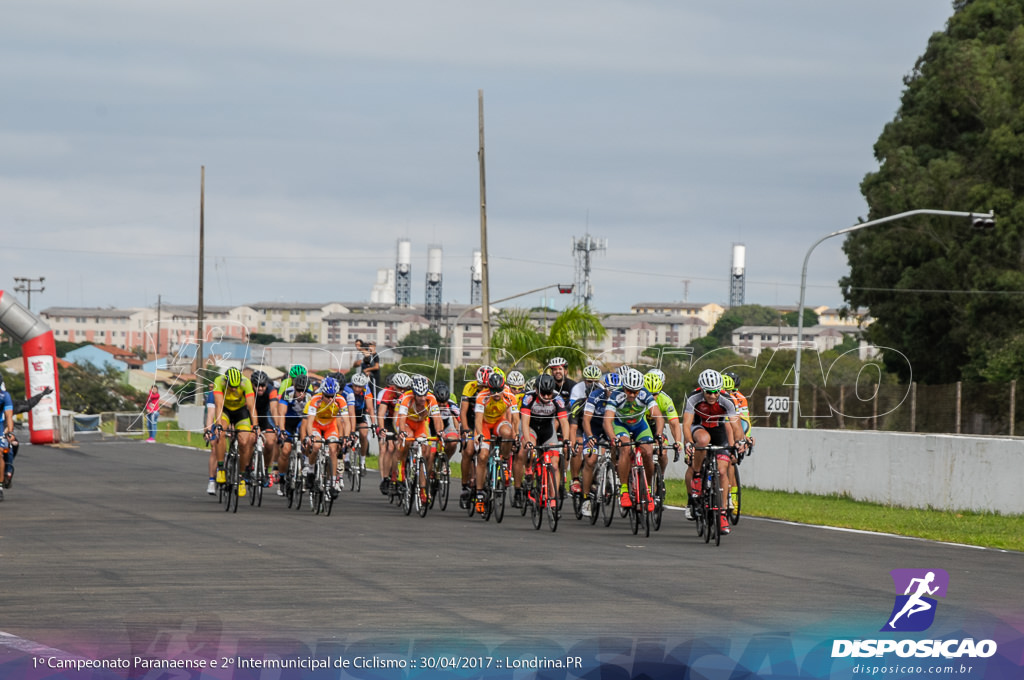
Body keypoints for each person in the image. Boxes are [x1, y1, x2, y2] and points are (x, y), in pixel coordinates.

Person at [682, 369, 746, 536]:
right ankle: (697, 476)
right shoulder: (693, 397)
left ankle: (722, 513)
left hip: (718, 431)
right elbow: (686, 424)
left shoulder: (727, 399)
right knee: (703, 440)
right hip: (699, 427)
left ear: (720, 390)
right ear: (702, 389)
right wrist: (689, 442)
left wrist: (740, 441)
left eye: (715, 392)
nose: (712, 396)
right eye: (708, 392)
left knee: (723, 471)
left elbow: (736, 425)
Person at [603, 367, 662, 512]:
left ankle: (647, 490)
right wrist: (613, 438)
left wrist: (659, 435)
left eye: (635, 391)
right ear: (623, 387)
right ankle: (623, 490)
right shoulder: (616, 396)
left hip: (639, 425)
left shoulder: (645, 394)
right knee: (625, 448)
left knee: (648, 452)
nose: (632, 394)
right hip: (621, 425)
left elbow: (658, 417)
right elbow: (607, 420)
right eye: (629, 391)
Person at [516, 374, 569, 509]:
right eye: (543, 394)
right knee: (529, 447)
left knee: (555, 464)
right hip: (531, 428)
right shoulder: (529, 398)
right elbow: (525, 422)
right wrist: (527, 441)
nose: (546, 397)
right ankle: (528, 469)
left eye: (548, 394)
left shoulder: (557, 398)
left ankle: (553, 499)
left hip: (547, 430)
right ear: (537, 390)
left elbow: (564, 422)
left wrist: (567, 440)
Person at [209, 367, 261, 499]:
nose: (233, 389)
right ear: (226, 381)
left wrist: (255, 426)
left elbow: (251, 407)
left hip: (240, 412)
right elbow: (219, 406)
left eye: (235, 386)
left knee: (244, 442)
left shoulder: (246, 383)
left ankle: (242, 477)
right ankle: (221, 469)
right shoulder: (219, 381)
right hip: (225, 411)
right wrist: (219, 425)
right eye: (231, 386)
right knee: (220, 434)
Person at [1, 382, 53, 490]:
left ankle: (7, 472)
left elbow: (28, 404)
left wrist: (42, 394)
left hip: (4, 434)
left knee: (11, 447)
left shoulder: (7, 401)